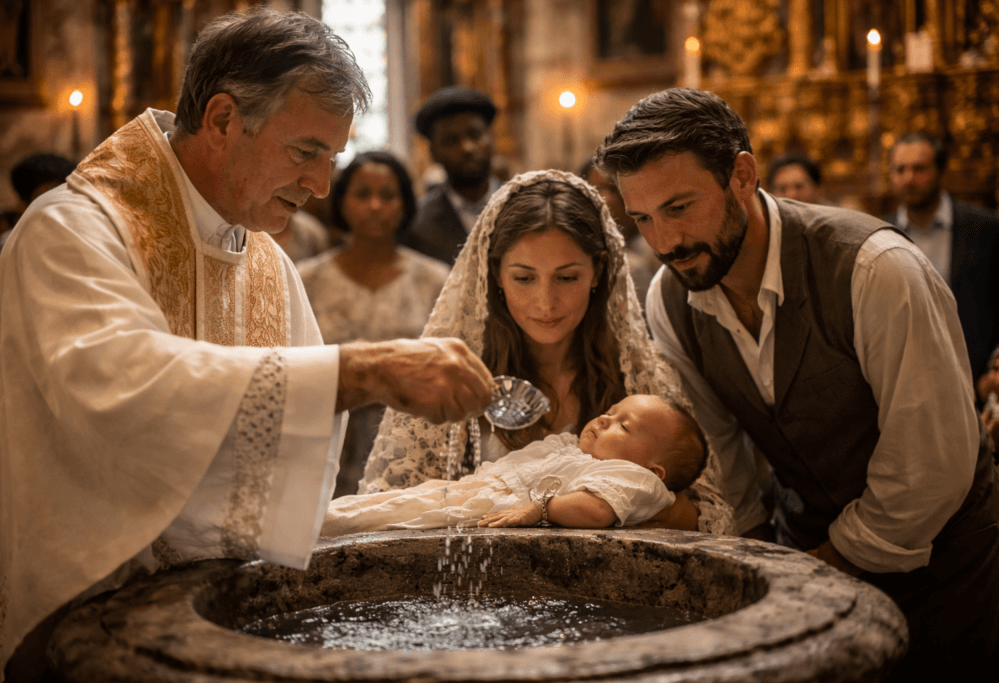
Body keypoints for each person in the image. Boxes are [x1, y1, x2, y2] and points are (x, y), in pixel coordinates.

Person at [0, 9, 495, 683]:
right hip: (68, 630)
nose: (321, 186)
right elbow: (118, 381)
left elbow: (283, 470)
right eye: (306, 151)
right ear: (223, 119)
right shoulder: (73, 230)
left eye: (331, 157)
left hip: (204, 619)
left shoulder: (265, 263)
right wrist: (365, 369)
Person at [595, 87, 999, 675]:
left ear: (741, 175)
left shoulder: (874, 269)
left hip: (946, 569)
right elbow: (722, 459)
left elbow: (931, 464)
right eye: (641, 219)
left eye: (679, 208)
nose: (664, 243)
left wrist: (825, 564)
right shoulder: (673, 296)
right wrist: (757, 568)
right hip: (805, 551)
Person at [360, 169, 736, 537]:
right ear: (495, 276)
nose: (545, 302)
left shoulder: (642, 377)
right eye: (524, 278)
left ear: (598, 272)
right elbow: (385, 510)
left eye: (567, 277)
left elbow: (711, 517)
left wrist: (619, 498)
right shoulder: (446, 375)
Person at [324, 394, 708, 536]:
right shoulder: (576, 452)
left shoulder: (634, 478)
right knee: (387, 505)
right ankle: (315, 522)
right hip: (472, 492)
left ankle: (317, 528)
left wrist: (541, 508)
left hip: (492, 510)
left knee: (392, 516)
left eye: (624, 426)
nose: (605, 420)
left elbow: (595, 510)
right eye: (609, 412)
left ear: (655, 470)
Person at [297, 151, 451, 496]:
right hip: (324, 447)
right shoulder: (307, 279)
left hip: (412, 453)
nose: (376, 207)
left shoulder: (434, 280)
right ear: (342, 201)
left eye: (388, 195)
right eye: (363, 194)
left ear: (405, 204)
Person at [883, 131, 999, 381]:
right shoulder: (879, 233)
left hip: (973, 376)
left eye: (919, 168)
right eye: (900, 169)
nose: (909, 178)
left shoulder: (985, 228)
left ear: (940, 170)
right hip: (904, 377)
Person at [403, 85, 501, 265]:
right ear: (433, 152)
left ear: (490, 137)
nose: (467, 148)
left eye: (475, 135)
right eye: (451, 141)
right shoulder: (417, 224)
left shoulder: (524, 205)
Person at [579, 158, 659, 308]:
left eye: (614, 190)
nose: (607, 200)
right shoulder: (579, 251)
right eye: (596, 190)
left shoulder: (656, 249)